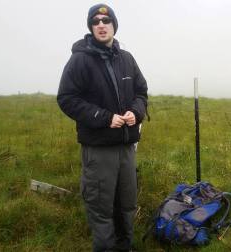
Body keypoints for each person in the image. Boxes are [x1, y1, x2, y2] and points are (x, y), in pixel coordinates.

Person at [57, 3, 148, 251]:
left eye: (105, 21)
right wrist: (104, 117)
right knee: (101, 208)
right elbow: (66, 98)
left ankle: (125, 247)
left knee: (126, 204)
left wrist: (136, 112)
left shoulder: (127, 59)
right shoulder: (80, 60)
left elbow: (141, 91)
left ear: (113, 26)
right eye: (95, 21)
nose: (101, 25)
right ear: (91, 28)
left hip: (127, 147)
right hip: (98, 150)